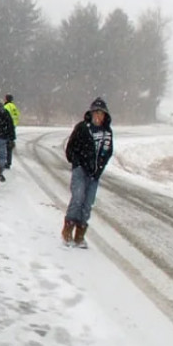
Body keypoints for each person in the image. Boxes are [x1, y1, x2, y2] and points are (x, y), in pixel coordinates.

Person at [62, 97, 114, 247]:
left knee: (87, 203)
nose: (98, 116)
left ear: (105, 116)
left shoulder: (107, 133)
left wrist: (100, 168)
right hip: (80, 170)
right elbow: (71, 148)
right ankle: (67, 230)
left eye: (101, 113)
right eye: (96, 113)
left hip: (95, 174)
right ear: (91, 114)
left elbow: (108, 152)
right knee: (78, 197)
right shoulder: (82, 128)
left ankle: (80, 235)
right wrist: (77, 163)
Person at [2, 93, 19, 168]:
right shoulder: (14, 106)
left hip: (7, 127)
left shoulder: (6, 106)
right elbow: (17, 115)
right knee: (9, 146)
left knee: (5, 146)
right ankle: (9, 162)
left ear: (6, 99)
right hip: (13, 127)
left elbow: (4, 116)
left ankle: (6, 162)